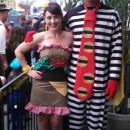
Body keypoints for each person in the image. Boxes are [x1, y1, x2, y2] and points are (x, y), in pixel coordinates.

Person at [63, 0, 122, 130]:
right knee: (73, 125)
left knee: (97, 127)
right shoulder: (71, 15)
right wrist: (38, 36)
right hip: (75, 84)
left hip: (100, 85)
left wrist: (113, 78)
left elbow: (117, 49)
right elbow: (57, 35)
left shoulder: (112, 14)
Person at [15, 2, 73, 130]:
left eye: (56, 17)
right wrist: (27, 70)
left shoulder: (70, 36)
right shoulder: (39, 37)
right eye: (49, 18)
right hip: (41, 85)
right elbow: (18, 51)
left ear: (61, 18)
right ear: (45, 19)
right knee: (43, 121)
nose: (53, 21)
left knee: (57, 122)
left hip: (61, 85)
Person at [0, 4, 10, 76]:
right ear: (1, 13)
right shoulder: (1, 27)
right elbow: (1, 48)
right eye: (6, 13)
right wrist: (5, 62)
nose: (8, 15)